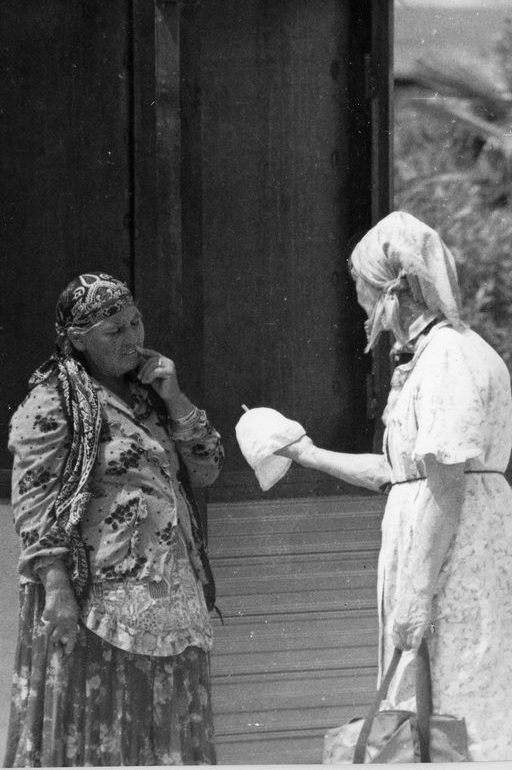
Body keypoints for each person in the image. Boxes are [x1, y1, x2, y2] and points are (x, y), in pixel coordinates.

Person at [277, 211, 512, 761]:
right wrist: (305, 453)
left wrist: (415, 592)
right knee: (430, 711)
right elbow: (400, 475)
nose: (357, 298)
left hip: (455, 559)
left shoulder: (449, 357)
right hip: (440, 550)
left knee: (457, 707)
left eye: (361, 284)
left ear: (392, 289)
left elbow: (446, 485)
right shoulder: (433, 355)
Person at [4, 272, 224, 767]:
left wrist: (176, 399)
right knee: (103, 730)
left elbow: (207, 470)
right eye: (115, 331)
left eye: (135, 323)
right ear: (78, 340)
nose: (133, 339)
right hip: (98, 603)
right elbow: (35, 505)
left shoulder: (149, 395)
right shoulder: (53, 402)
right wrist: (57, 590)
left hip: (171, 591)